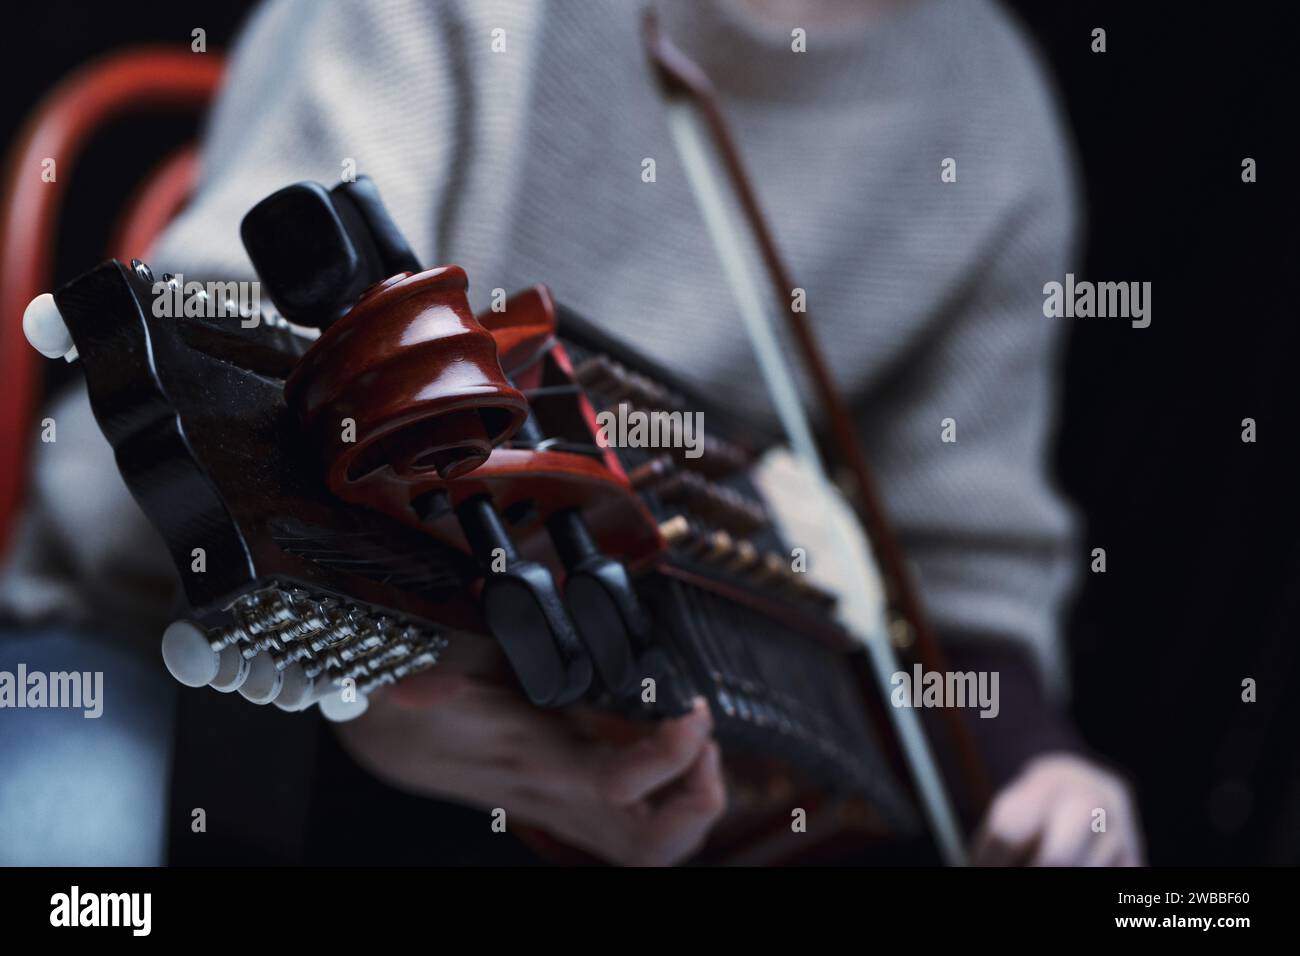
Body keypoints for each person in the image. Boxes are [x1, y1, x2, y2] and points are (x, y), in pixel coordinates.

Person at [0, 0, 1142, 865]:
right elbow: (217, 339)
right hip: (152, 630)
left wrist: (1038, 766)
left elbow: (957, 573)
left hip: (660, 750)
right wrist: (415, 675)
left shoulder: (994, 112)